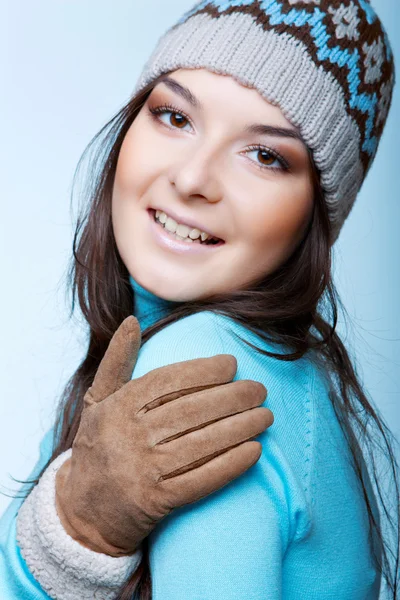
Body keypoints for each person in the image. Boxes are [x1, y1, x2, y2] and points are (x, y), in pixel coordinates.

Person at [0, 0, 398, 599]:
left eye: (266, 155)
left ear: (314, 213)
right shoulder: (145, 352)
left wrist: (78, 541)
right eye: (174, 117)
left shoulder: (199, 365)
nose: (192, 179)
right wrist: (72, 533)